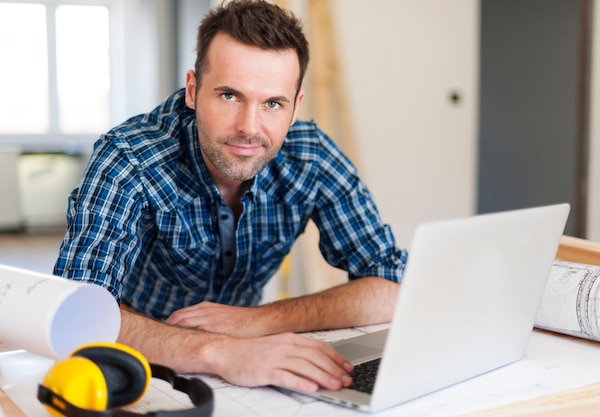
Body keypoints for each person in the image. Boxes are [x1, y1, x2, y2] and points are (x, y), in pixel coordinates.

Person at [54, 0, 407, 393]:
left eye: (273, 103)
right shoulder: (130, 158)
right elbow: (75, 311)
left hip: (248, 355)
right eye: (229, 96)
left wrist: (254, 322)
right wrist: (221, 352)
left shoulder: (313, 157)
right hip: (139, 355)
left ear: (294, 109)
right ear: (192, 90)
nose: (248, 128)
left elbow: (392, 285)